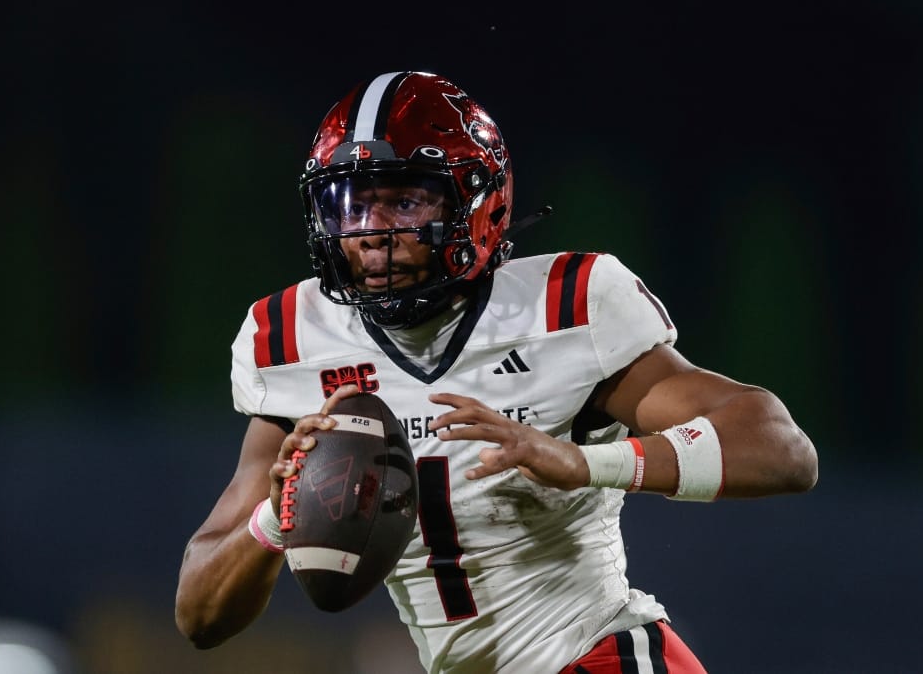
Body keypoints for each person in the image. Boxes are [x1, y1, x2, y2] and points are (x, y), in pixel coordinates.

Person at [174, 70, 818, 674]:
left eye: (404, 202)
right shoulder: (290, 338)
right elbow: (199, 617)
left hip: (597, 654)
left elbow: (782, 451)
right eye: (352, 204)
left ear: (476, 204)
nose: (372, 231)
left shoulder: (564, 306)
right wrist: (274, 519)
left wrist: (589, 463)